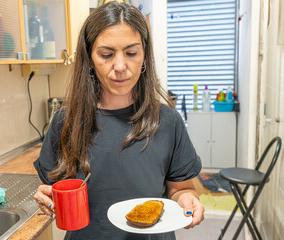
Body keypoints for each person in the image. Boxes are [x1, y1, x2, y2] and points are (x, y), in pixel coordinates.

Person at [33, 2, 204, 239]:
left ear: (144, 55)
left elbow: (181, 189)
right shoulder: (65, 122)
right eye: (106, 54)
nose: (120, 66)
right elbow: (53, 190)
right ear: (90, 59)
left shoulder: (168, 122)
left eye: (132, 53)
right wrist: (46, 198)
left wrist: (188, 199)